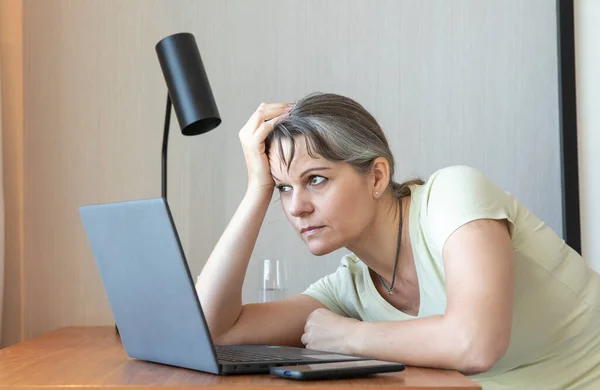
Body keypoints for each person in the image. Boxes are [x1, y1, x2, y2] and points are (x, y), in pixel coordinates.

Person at [195, 92, 600, 389]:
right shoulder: (351, 286)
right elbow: (214, 331)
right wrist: (256, 190)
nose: (296, 207)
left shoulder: (452, 196)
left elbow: (476, 344)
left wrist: (350, 338)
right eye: (284, 189)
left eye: (315, 179)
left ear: (377, 177)